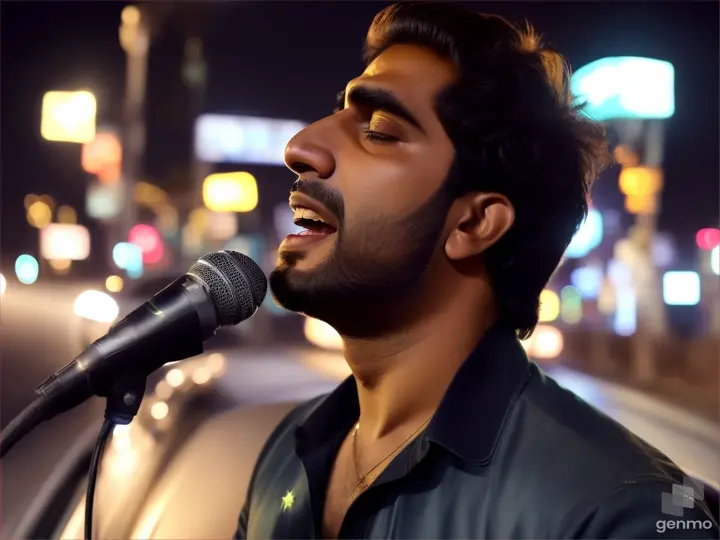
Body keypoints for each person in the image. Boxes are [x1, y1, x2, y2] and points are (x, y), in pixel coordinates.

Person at [235, 3, 719, 539]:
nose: (300, 148)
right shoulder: (289, 450)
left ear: (474, 222)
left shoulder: (620, 515)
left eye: (377, 129)